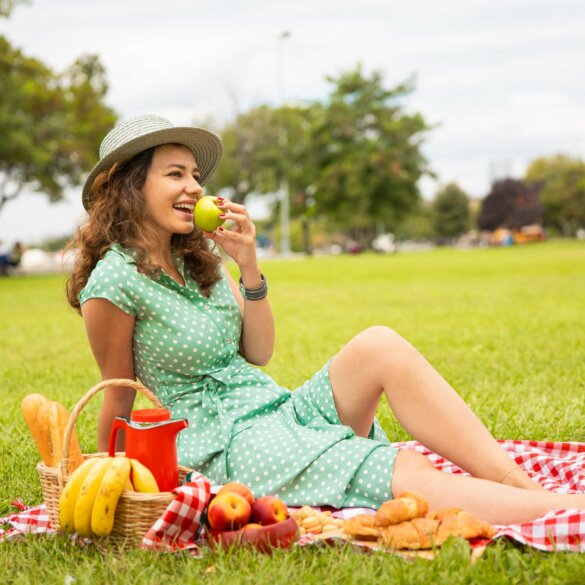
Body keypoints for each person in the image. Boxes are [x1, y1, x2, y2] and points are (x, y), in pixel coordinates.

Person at [67, 115, 585, 526]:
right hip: (222, 446)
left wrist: (248, 264)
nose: (195, 188)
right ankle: (562, 513)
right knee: (406, 469)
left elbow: (258, 354)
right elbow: (118, 392)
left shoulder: (198, 255)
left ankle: (521, 488)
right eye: (175, 174)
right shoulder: (115, 283)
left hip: (274, 410)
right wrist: (103, 485)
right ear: (132, 186)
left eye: (196, 176)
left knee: (379, 345)